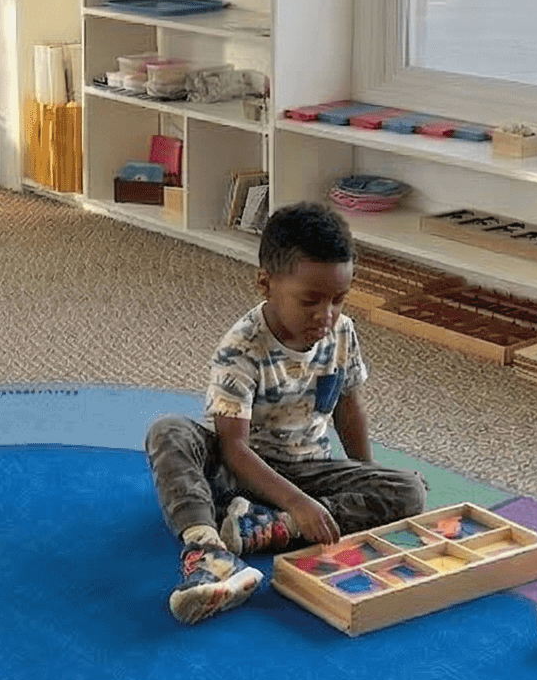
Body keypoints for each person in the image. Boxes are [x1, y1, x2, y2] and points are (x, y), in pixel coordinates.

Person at [148, 200, 428, 625]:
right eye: (311, 300)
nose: (326, 315)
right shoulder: (240, 347)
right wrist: (299, 503)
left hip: (309, 469)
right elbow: (233, 448)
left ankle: (267, 528)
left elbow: (348, 406)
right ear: (266, 283)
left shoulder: (342, 333)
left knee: (409, 490)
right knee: (168, 432)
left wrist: (368, 475)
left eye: (338, 300)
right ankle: (208, 550)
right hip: (239, 468)